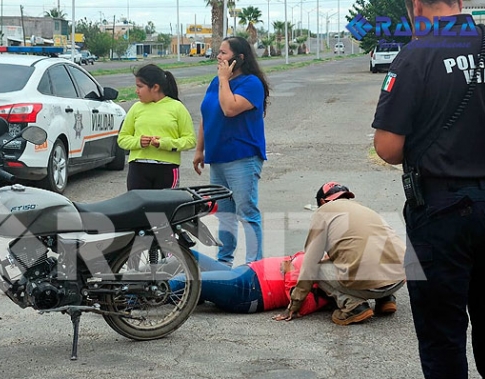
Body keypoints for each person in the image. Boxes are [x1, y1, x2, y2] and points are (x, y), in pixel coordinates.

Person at [372, 1, 485, 379]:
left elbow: (388, 148)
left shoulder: (415, 57)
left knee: (442, 337)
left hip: (440, 212)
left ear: (417, 7)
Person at [276, 182, 406, 326]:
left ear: (322, 202)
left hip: (369, 287)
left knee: (316, 268)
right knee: (373, 256)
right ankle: (386, 299)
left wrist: (295, 304)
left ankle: (353, 306)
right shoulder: (363, 209)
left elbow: (310, 264)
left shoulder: (323, 212)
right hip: (399, 279)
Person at [193, 36, 270, 266]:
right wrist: (199, 150)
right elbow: (207, 115)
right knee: (225, 214)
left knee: (247, 212)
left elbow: (229, 108)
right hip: (217, 158)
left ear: (240, 58)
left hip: (242, 158)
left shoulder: (251, 83)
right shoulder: (216, 82)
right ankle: (224, 262)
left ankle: (254, 265)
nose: (219, 56)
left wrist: (224, 79)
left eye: (224, 53)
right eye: (219, 52)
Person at [170, 250, 329, 315]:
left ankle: (148, 294)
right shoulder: (316, 257)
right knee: (186, 253)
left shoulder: (323, 290)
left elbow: (300, 306)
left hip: (247, 290)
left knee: (185, 282)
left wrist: (289, 273)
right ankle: (148, 277)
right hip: (244, 273)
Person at [117, 64, 196, 190]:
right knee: (139, 207)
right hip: (138, 168)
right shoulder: (136, 108)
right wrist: (138, 142)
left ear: (155, 87)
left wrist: (165, 144)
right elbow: (122, 139)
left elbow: (190, 140)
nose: (136, 91)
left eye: (140, 87)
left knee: (162, 208)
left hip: (167, 168)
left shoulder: (177, 107)